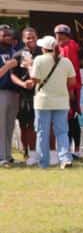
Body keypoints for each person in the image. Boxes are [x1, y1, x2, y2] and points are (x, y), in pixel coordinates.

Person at [31, 36, 76, 169]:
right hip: (61, 100)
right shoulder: (66, 61)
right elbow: (72, 82)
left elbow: (34, 79)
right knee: (62, 132)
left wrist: (29, 67)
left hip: (43, 101)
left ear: (44, 48)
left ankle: (43, 162)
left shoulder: (39, 59)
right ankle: (65, 159)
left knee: (42, 132)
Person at [53, 25, 82, 156]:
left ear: (67, 35)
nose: (59, 35)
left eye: (62, 33)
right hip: (60, 88)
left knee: (71, 118)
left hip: (70, 88)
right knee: (64, 119)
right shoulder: (58, 47)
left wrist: (71, 90)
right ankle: (68, 149)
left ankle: (75, 150)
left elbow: (72, 71)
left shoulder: (69, 47)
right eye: (57, 33)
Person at [16, 28, 39, 164]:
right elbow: (12, 74)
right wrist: (23, 84)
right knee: (24, 126)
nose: (31, 40)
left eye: (33, 37)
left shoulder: (43, 53)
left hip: (40, 94)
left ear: (37, 37)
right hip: (23, 94)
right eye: (28, 38)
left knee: (35, 126)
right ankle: (26, 151)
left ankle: (35, 152)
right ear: (23, 39)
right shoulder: (18, 54)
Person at [0, 25, 21, 165]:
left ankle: (7, 155)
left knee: (9, 126)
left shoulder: (14, 51)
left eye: (9, 34)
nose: (8, 37)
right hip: (1, 91)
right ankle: (1, 156)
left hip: (14, 92)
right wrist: (7, 66)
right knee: (1, 125)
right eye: (4, 34)